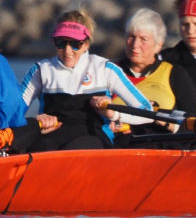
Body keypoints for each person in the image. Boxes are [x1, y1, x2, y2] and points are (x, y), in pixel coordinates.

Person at [17, 9, 153, 151]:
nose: (68, 51)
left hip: (93, 139)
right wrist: (35, 122)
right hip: (50, 138)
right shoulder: (41, 70)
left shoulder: (105, 69)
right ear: (54, 42)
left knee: (76, 148)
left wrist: (113, 114)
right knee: (40, 146)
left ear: (86, 44)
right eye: (61, 43)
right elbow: (11, 113)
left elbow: (147, 112)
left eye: (75, 44)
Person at [115, 8, 196, 134]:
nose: (135, 45)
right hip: (116, 145)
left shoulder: (174, 74)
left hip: (159, 143)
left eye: (143, 39)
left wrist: (168, 123)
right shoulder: (110, 70)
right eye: (131, 37)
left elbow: (195, 122)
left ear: (158, 45)